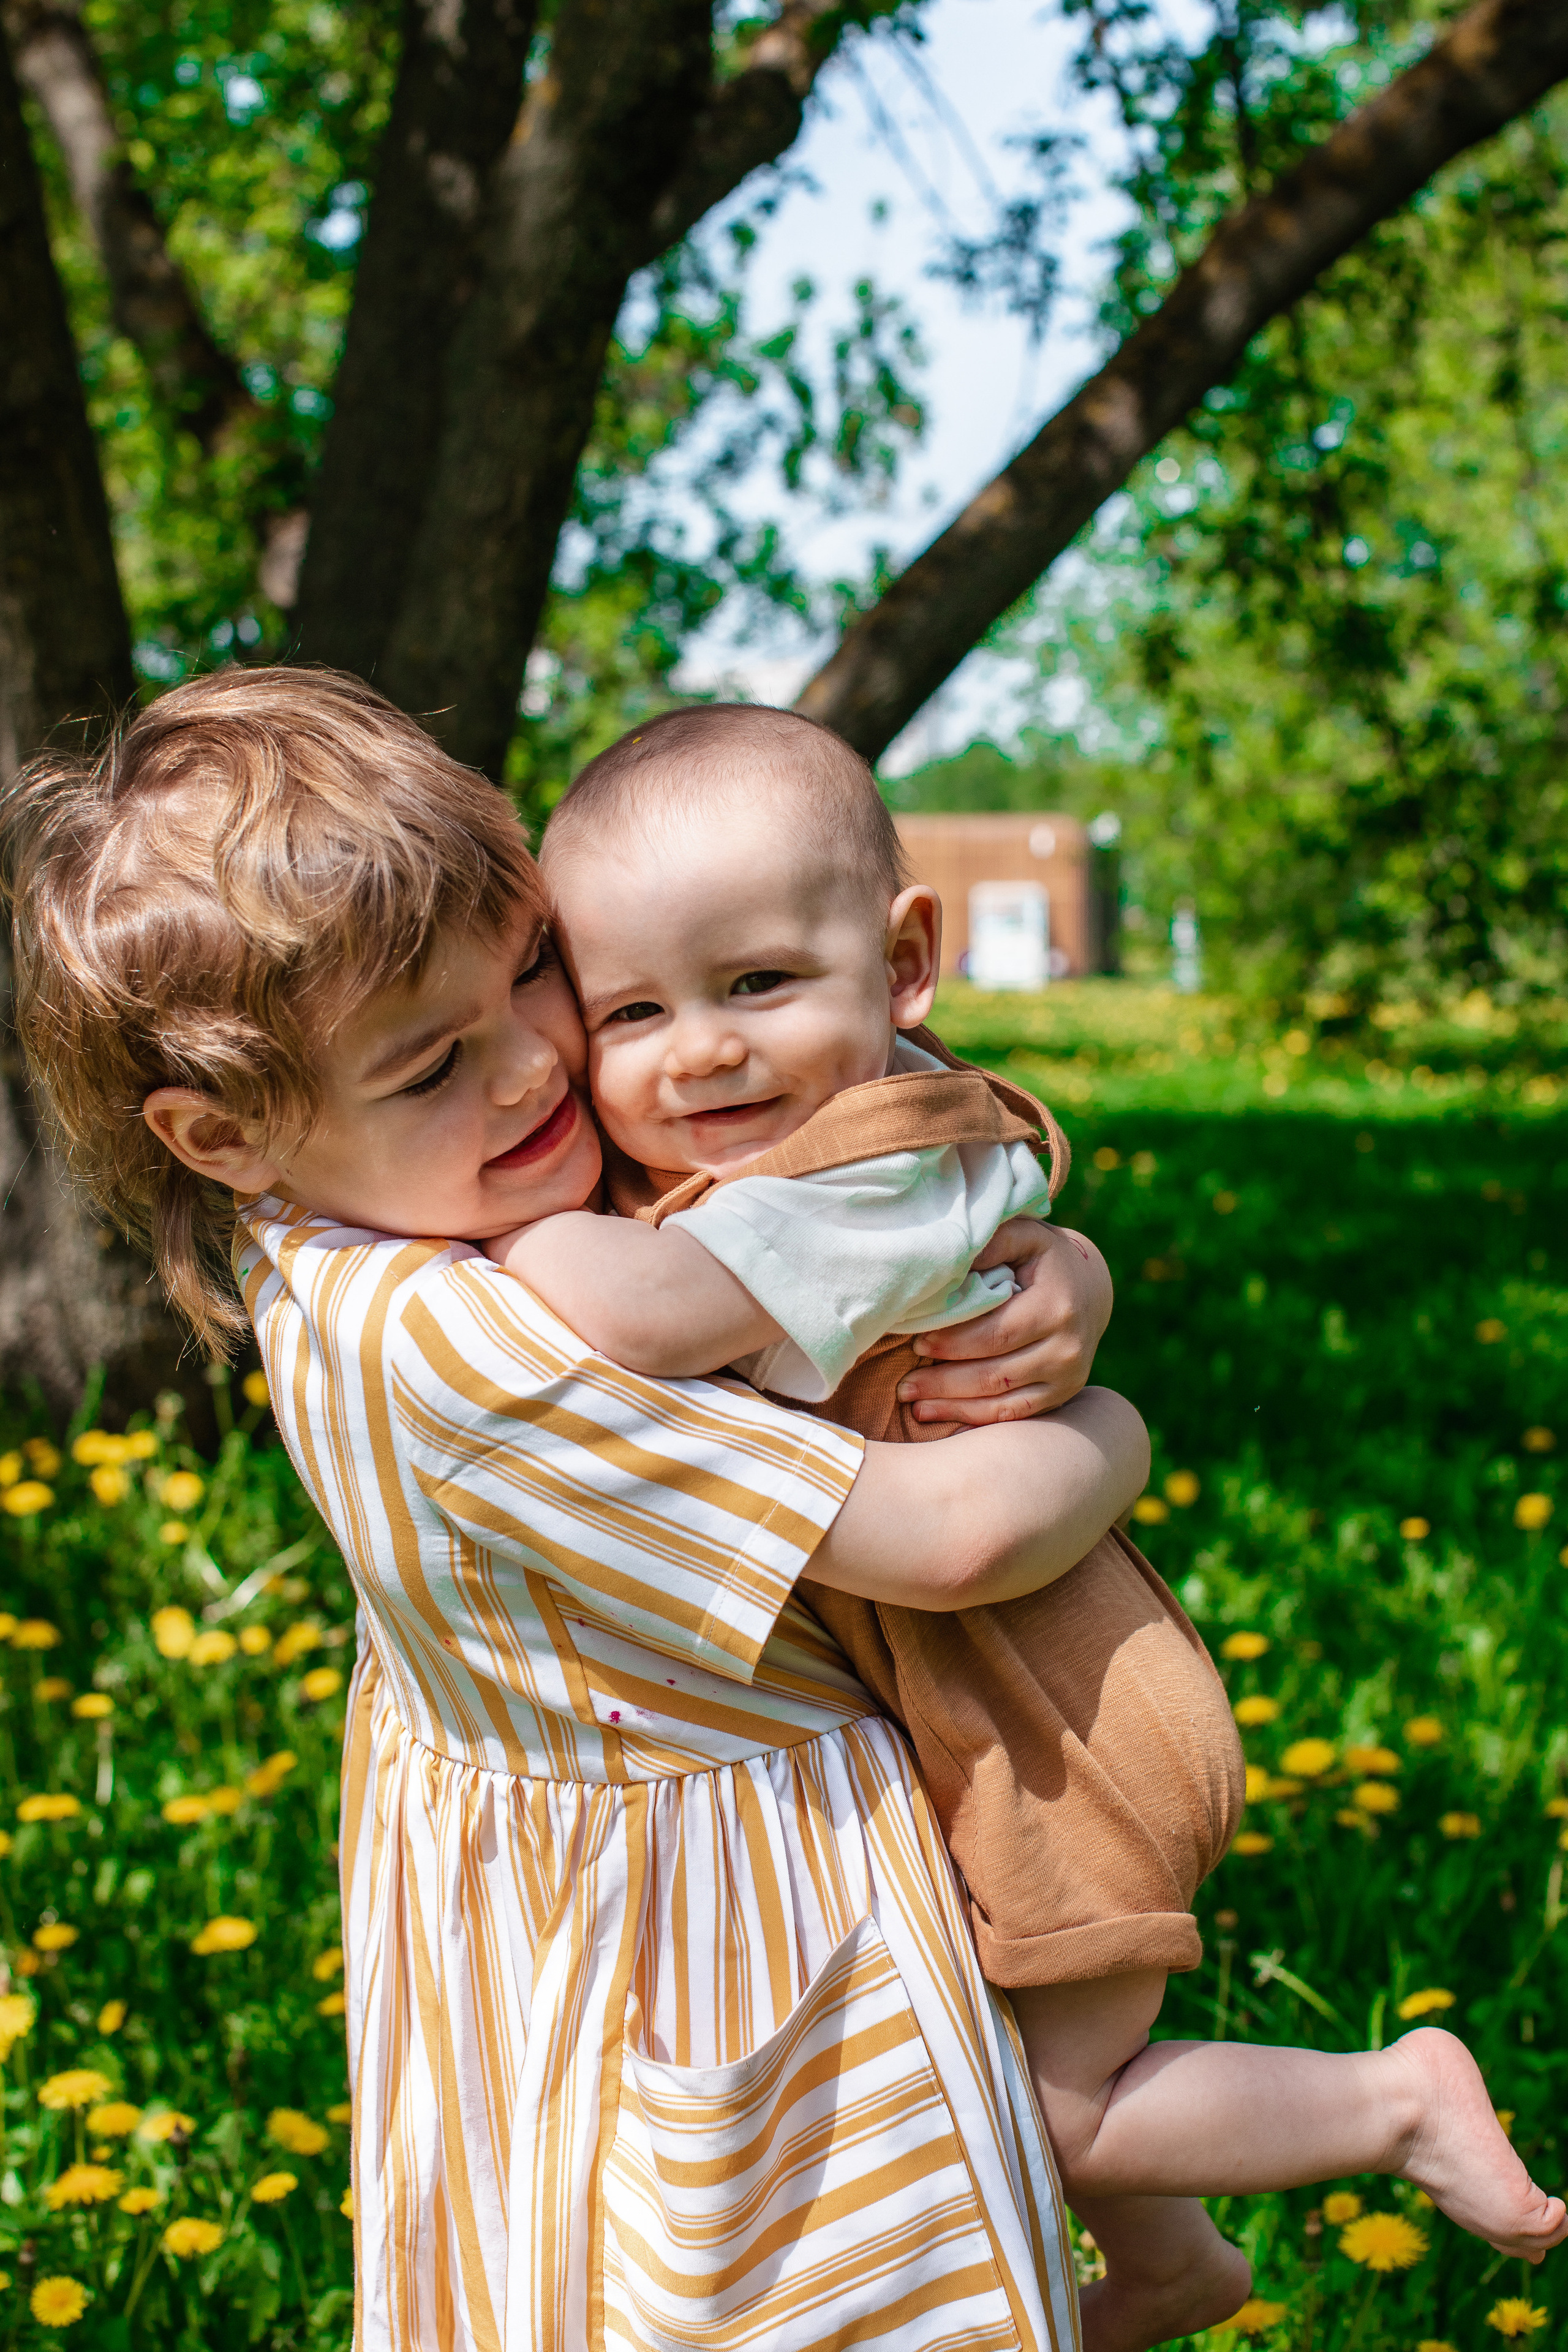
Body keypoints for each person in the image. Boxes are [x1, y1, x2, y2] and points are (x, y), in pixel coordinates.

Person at [2, 666, 1155, 2352]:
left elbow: (864, 1199)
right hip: (735, 1896)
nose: (540, 1064)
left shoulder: (391, 1199)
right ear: (223, 1132)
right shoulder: (466, 1346)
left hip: (553, 1898)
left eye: (532, 971)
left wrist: (1057, 1271)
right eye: (431, 1062)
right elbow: (956, 1534)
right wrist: (1114, 1427)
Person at [484, 701, 1568, 2352]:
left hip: (1056, 1723)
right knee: (1030, 2058)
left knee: (1070, 2106)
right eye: (633, 1009)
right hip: (988, 1696)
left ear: (904, 963)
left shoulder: (856, 1181)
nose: (698, 1050)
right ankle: (1174, 2271)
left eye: (757, 985)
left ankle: (1396, 2102)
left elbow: (633, 1305)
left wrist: (469, 1262)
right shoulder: (837, 1124)